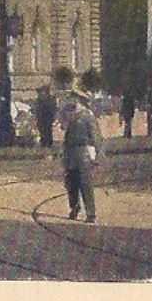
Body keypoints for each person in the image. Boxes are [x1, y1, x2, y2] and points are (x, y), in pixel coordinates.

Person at [62, 86, 103, 223]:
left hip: (82, 153)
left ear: (79, 100)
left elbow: (96, 136)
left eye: (73, 98)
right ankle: (74, 207)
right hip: (70, 153)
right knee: (71, 184)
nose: (71, 100)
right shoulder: (71, 115)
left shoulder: (87, 116)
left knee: (85, 184)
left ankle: (91, 213)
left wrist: (97, 154)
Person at [34, 85, 57, 149]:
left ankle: (48, 143)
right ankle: (44, 143)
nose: (40, 94)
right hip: (41, 118)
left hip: (47, 118)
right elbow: (37, 110)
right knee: (42, 130)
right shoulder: (39, 100)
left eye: (42, 92)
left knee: (47, 131)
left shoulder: (50, 100)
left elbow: (52, 109)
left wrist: (53, 117)